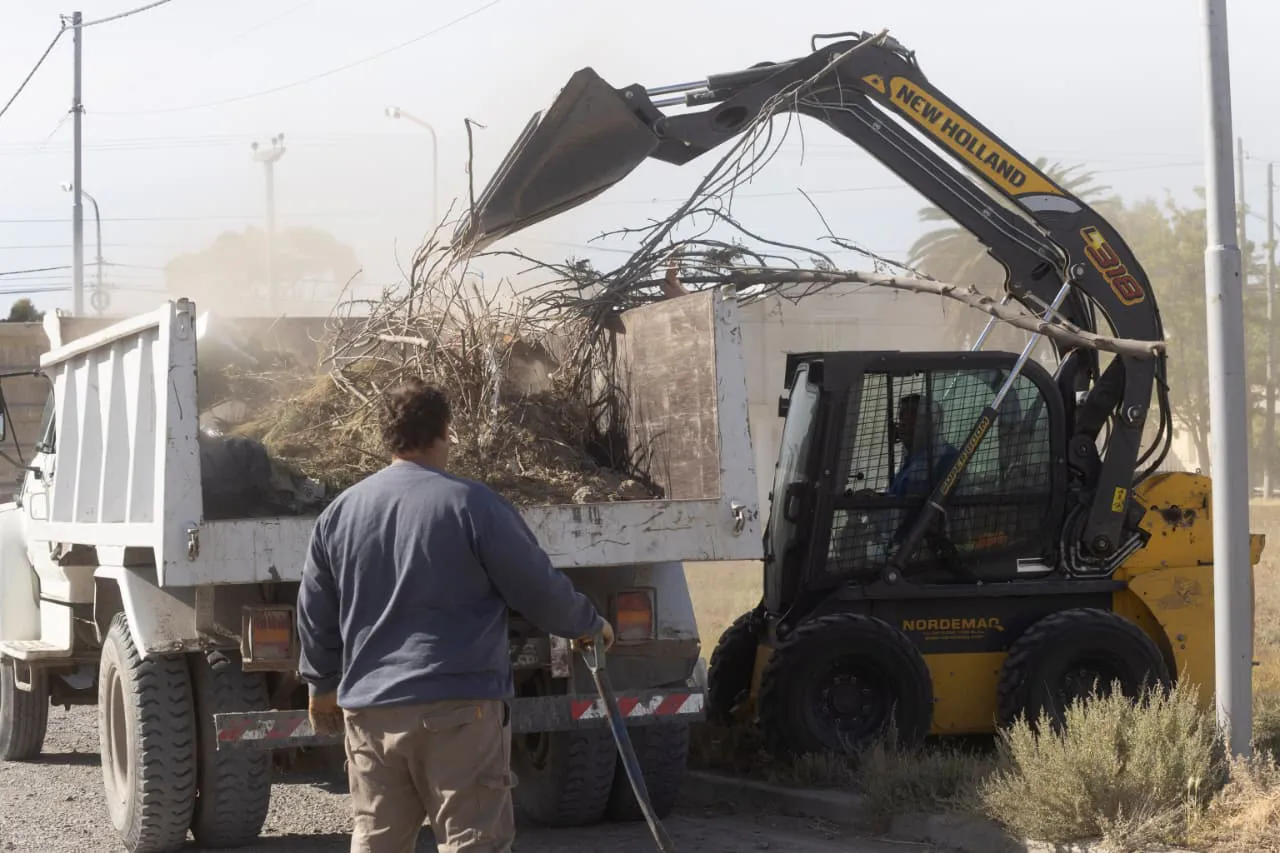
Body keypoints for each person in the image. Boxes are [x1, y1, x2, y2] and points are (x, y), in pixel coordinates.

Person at [296, 377, 615, 853]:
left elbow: (314, 610)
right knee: (473, 842)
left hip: (371, 713)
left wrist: (321, 684)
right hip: (459, 710)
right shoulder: (473, 504)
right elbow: (537, 588)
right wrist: (588, 626)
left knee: (378, 843)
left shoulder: (340, 513)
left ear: (388, 438)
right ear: (445, 431)